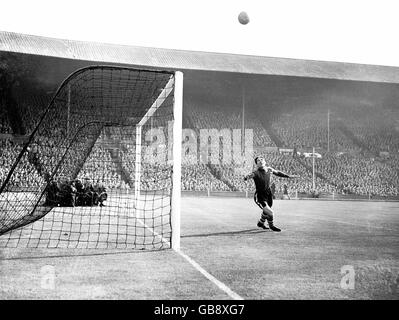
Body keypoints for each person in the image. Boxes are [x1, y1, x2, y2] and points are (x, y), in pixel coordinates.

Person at [244, 156, 299, 232]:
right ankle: (271, 225)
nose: (260, 161)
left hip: (268, 194)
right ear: (257, 164)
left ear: (265, 162)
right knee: (270, 212)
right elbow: (250, 175)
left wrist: (288, 176)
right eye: (258, 161)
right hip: (260, 196)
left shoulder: (269, 169)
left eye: (262, 159)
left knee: (267, 210)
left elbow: (278, 173)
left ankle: (261, 222)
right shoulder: (256, 173)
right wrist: (246, 177)